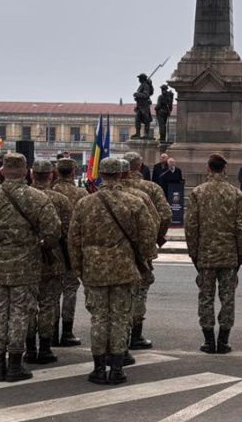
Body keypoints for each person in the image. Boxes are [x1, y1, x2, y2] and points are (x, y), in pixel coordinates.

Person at [68, 157, 156, 385]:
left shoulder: (85, 204)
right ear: (121, 174)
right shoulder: (134, 202)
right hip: (124, 269)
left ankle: (98, 368)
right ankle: (117, 368)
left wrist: (79, 268)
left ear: (101, 174)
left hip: (94, 270)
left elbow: (74, 240)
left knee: (98, 319)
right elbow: (148, 237)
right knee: (119, 318)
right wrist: (142, 259)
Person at [0, 152, 59, 382]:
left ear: (2, 171)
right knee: (20, 315)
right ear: (26, 172)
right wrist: (38, 244)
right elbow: (53, 232)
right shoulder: (38, 198)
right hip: (26, 266)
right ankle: (14, 365)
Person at [185, 153, 242, 354]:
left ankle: (208, 340)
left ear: (208, 169)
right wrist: (240, 254)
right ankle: (223, 341)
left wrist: (193, 254)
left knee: (206, 298)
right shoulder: (236, 194)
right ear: (225, 170)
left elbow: (191, 227)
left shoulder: (198, 192)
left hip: (205, 255)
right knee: (227, 298)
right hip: (229, 255)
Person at [123, 152, 171, 351]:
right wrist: (156, 238)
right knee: (140, 290)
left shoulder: (105, 192)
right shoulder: (150, 188)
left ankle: (117, 336)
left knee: (119, 294)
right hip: (142, 250)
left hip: (115, 253)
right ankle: (135, 335)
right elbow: (166, 214)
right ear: (140, 165)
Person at [27, 160, 73, 363]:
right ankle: (45, 347)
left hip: (24, 261)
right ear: (51, 175)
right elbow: (68, 233)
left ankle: (28, 348)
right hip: (52, 259)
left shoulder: (21, 196)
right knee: (48, 304)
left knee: (27, 305)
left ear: (32, 175)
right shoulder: (60, 200)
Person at [51, 158, 88, 346]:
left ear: (56, 173)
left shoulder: (47, 193)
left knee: (51, 293)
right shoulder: (81, 193)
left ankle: (49, 330)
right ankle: (66, 331)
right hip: (71, 249)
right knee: (70, 291)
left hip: (50, 250)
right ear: (73, 172)